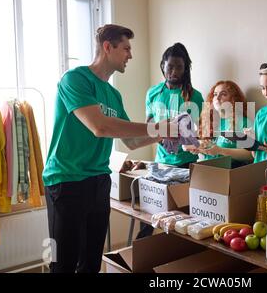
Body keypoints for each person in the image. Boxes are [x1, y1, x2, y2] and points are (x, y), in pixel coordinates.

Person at [42, 24, 175, 273]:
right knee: (64, 264)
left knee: (92, 262)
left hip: (99, 181)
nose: (130, 55)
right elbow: (100, 127)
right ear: (107, 47)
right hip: (66, 181)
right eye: (126, 48)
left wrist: (162, 136)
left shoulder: (113, 94)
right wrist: (159, 128)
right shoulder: (75, 79)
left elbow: (131, 141)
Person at [135, 42, 204, 239]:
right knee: (150, 215)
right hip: (162, 163)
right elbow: (148, 124)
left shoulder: (195, 96)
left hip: (186, 163)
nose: (174, 71)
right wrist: (162, 140)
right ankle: (142, 255)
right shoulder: (153, 93)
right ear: (163, 65)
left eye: (179, 67)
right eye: (170, 66)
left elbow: (198, 131)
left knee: (181, 219)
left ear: (186, 69)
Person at [191, 80, 251, 168]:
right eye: (215, 94)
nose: (217, 98)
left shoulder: (242, 122)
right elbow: (208, 148)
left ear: (234, 99)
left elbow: (249, 154)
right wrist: (200, 147)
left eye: (223, 94)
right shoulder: (208, 120)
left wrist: (221, 150)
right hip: (204, 169)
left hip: (228, 173)